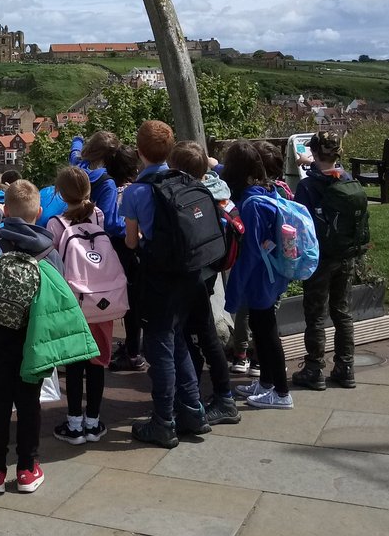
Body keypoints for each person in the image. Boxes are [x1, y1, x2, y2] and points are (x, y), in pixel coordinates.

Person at [0, 180, 94, 495]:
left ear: (6, 212)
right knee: (29, 403)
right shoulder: (48, 250)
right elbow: (59, 295)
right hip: (33, 336)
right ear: (39, 212)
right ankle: (27, 468)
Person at [123, 120, 209, 448]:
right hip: (190, 274)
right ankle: (193, 411)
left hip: (159, 276)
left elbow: (131, 243)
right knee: (179, 341)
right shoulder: (185, 181)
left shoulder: (136, 191)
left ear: (139, 150)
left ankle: (163, 422)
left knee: (158, 348)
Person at [168, 141, 240, 427]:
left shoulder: (190, 195)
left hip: (194, 273)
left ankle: (216, 399)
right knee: (201, 332)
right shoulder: (217, 187)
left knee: (198, 335)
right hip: (211, 269)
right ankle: (211, 396)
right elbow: (212, 166)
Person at [292, 130, 368, 391]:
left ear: (314, 152)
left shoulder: (308, 185)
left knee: (315, 314)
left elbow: (301, 224)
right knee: (342, 311)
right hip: (345, 255)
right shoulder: (346, 179)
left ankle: (314, 368)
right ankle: (345, 367)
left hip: (320, 258)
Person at [48, 165, 118, 445]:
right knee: (98, 363)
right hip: (101, 300)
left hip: (73, 301)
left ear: (60, 193)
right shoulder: (98, 214)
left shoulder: (55, 223)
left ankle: (74, 424)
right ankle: (93, 421)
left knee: (75, 363)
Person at [222, 140, 294, 410]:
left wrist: (234, 292)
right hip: (271, 274)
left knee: (267, 333)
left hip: (260, 278)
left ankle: (282, 392)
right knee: (263, 330)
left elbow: (250, 253)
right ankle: (266, 384)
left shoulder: (251, 204)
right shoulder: (266, 191)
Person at [102, 143, 146, 372]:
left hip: (123, 250)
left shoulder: (115, 191)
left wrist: (129, 233)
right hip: (144, 251)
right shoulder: (142, 188)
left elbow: (109, 222)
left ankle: (132, 353)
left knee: (130, 303)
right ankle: (135, 347)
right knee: (138, 301)